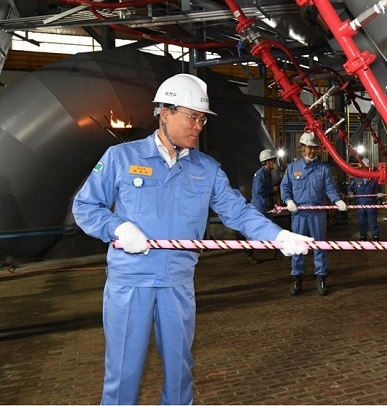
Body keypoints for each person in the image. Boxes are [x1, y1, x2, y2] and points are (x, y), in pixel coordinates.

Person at [72, 73, 312, 405]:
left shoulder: (206, 169)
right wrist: (117, 228)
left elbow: (237, 212)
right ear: (165, 113)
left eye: (202, 119)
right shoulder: (121, 158)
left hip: (177, 283)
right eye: (192, 117)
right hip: (130, 283)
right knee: (123, 373)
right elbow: (85, 207)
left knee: (180, 370)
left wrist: (277, 234)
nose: (198, 126)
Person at [280, 131, 347, 296]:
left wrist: (337, 200)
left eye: (315, 148)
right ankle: (297, 280)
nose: (312, 151)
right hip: (299, 214)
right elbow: (285, 187)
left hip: (318, 214)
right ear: (302, 148)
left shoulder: (323, 169)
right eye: (309, 148)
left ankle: (321, 279)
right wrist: (288, 201)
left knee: (320, 247)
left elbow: (330, 188)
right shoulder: (292, 168)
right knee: (297, 247)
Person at [249, 148, 279, 262]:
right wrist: (272, 189)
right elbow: (259, 190)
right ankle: (248, 253)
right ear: (266, 162)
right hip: (258, 207)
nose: (274, 162)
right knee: (256, 230)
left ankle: (277, 251)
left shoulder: (267, 173)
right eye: (272, 160)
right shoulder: (260, 174)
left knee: (272, 228)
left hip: (264, 206)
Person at [347, 157, 382, 241]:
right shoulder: (357, 180)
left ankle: (375, 236)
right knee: (362, 222)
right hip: (361, 205)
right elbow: (349, 188)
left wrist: (379, 194)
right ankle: (363, 236)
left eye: (366, 167)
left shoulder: (373, 180)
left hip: (371, 205)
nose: (364, 169)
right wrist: (350, 193)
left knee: (373, 221)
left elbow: (378, 190)